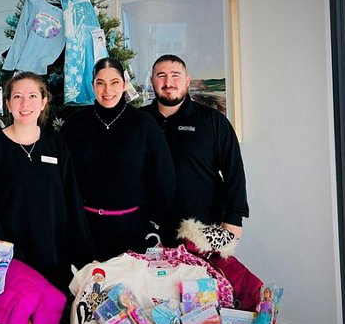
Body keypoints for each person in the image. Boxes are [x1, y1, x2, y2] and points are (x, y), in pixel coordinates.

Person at [0, 71, 93, 291]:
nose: (25, 103)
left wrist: (81, 250)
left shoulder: (56, 143)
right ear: (8, 104)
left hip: (52, 252)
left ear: (44, 102)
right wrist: (3, 249)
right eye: (17, 97)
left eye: (33, 96)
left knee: (50, 317)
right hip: (9, 257)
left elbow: (70, 196)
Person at [62, 57, 176, 260]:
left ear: (124, 84)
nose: (108, 91)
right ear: (92, 85)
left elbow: (164, 178)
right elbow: (63, 179)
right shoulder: (74, 125)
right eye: (100, 83)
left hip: (134, 232)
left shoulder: (144, 124)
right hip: (85, 231)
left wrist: (152, 223)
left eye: (114, 82)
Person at [145, 54, 249, 244]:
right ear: (152, 81)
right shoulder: (138, 121)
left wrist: (234, 219)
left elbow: (234, 172)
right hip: (147, 229)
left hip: (202, 229)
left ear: (187, 81)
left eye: (175, 75)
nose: (169, 82)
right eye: (161, 75)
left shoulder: (213, 121)